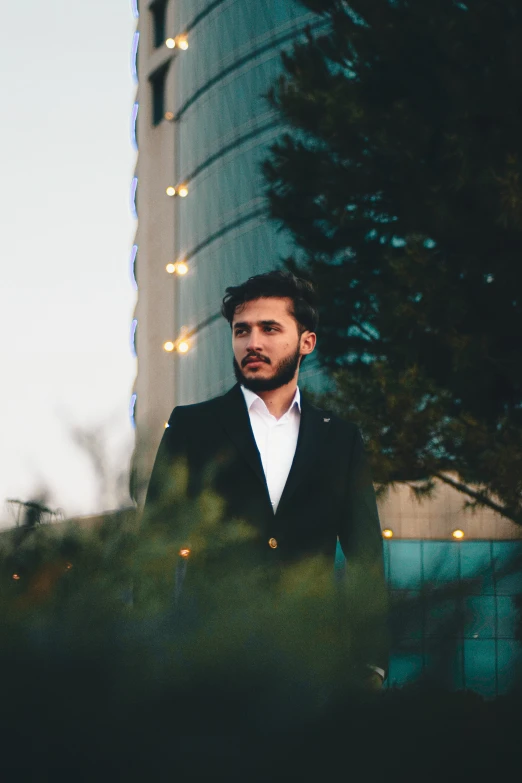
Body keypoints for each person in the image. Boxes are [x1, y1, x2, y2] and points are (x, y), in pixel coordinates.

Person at [143, 270, 388, 687]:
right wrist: (151, 654)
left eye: (269, 329)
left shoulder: (341, 438)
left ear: (306, 342)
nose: (252, 343)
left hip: (314, 665)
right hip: (207, 663)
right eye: (242, 331)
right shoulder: (190, 426)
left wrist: (371, 664)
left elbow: (366, 556)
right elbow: (155, 545)